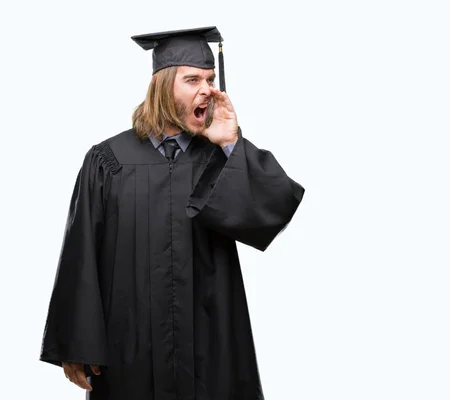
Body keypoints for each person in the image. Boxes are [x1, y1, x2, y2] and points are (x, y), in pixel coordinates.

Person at [39, 26, 304, 400]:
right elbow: (82, 254)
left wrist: (231, 142)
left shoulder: (220, 156)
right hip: (130, 347)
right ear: (163, 86)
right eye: (192, 79)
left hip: (210, 348)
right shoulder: (108, 161)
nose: (207, 90)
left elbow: (274, 209)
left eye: (210, 79)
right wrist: (76, 344)